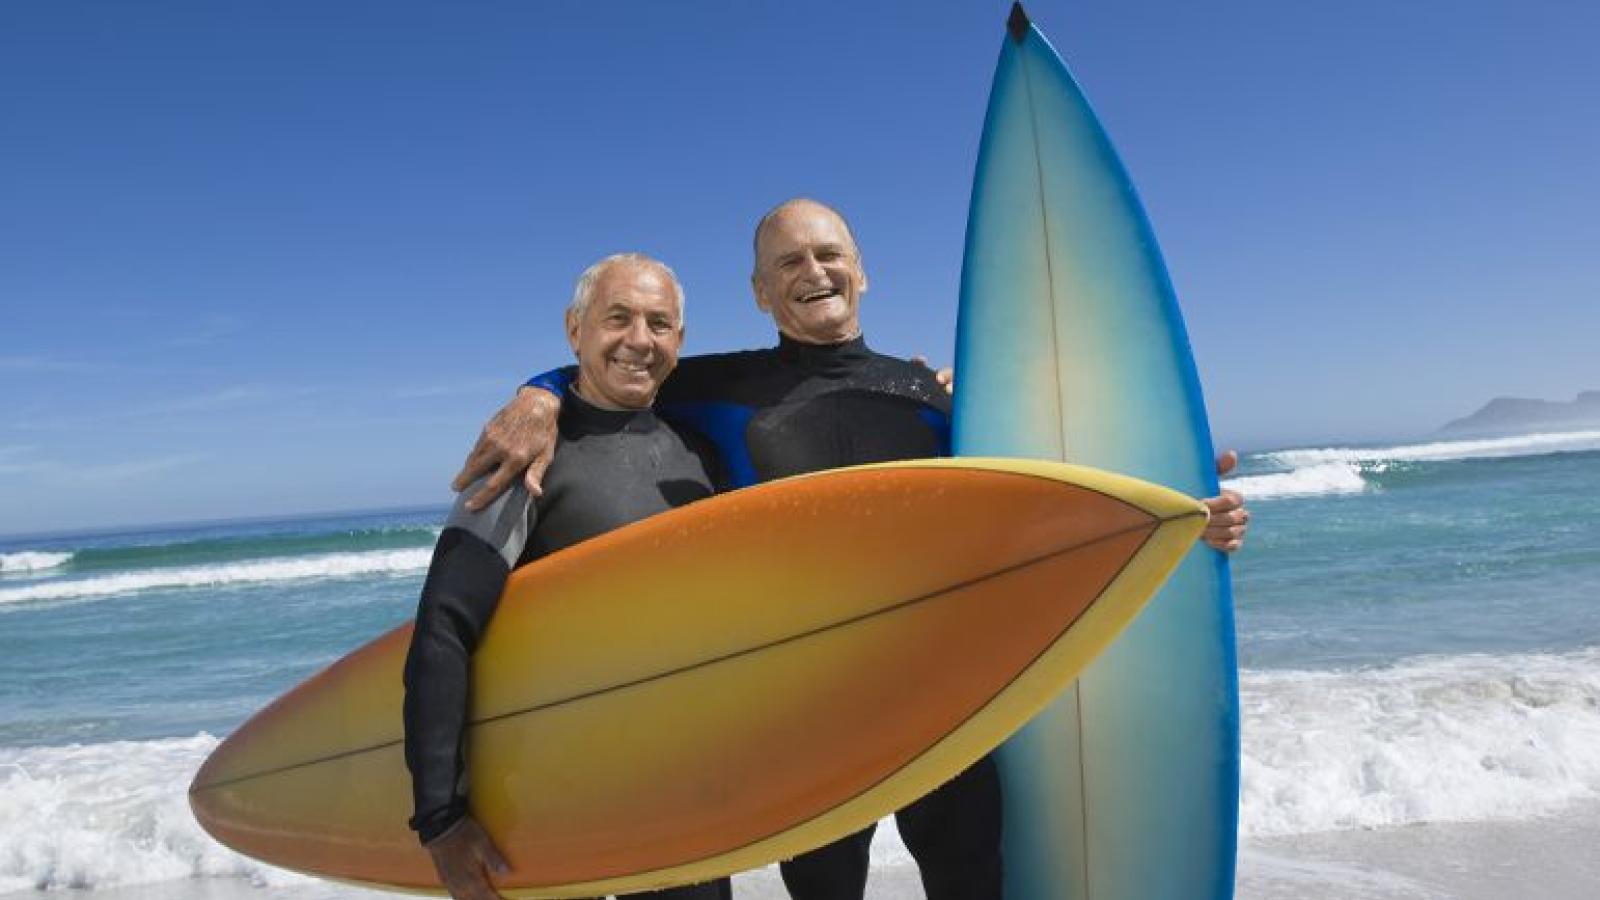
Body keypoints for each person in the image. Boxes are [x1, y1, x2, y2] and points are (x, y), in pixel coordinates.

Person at [450, 199, 1251, 900]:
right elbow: (613, 361)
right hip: (808, 707)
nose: (813, 271)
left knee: (971, 879)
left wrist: (1183, 505)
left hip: (944, 693)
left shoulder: (934, 392)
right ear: (762, 292)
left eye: (829, 254)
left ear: (862, 272)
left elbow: (1061, 487)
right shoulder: (717, 388)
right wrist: (537, 394)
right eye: (788, 262)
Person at [403, 253, 732, 900]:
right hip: (548, 805)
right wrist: (440, 817)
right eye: (618, 318)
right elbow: (444, 629)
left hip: (680, 799)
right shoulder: (523, 457)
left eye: (660, 324)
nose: (640, 340)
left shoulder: (701, 455)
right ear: (573, 329)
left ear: (680, 342)